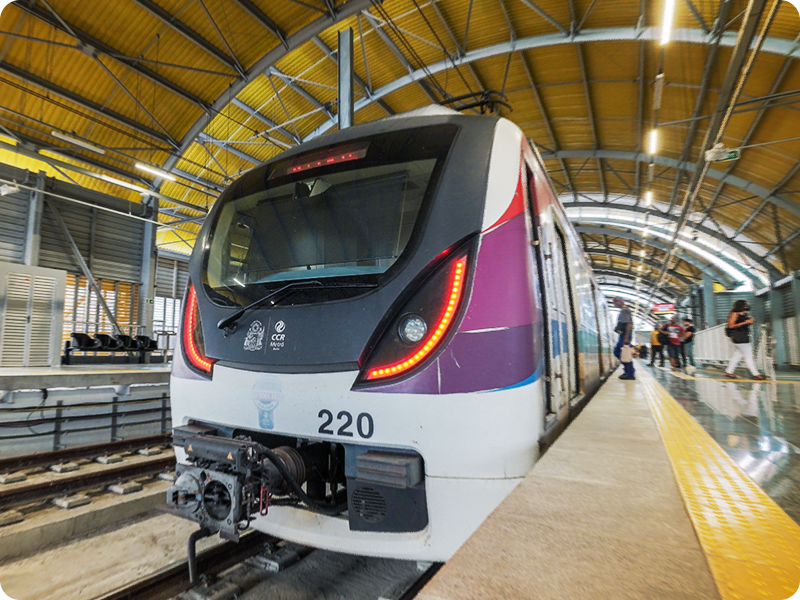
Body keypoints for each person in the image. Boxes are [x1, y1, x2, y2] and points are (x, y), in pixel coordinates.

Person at [725, 300, 767, 380]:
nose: (747, 306)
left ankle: (729, 371)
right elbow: (730, 326)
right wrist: (745, 322)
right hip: (739, 337)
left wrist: (749, 321)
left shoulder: (744, 314)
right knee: (749, 356)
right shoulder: (734, 314)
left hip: (743, 336)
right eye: (746, 305)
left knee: (737, 356)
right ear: (741, 305)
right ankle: (756, 374)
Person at [612, 297, 635, 380]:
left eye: (616, 302)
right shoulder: (624, 310)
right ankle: (628, 371)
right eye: (614, 302)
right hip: (624, 335)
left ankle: (630, 373)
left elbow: (628, 324)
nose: (614, 304)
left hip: (625, 335)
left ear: (621, 301)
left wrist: (626, 337)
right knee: (622, 352)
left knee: (619, 352)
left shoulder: (625, 310)